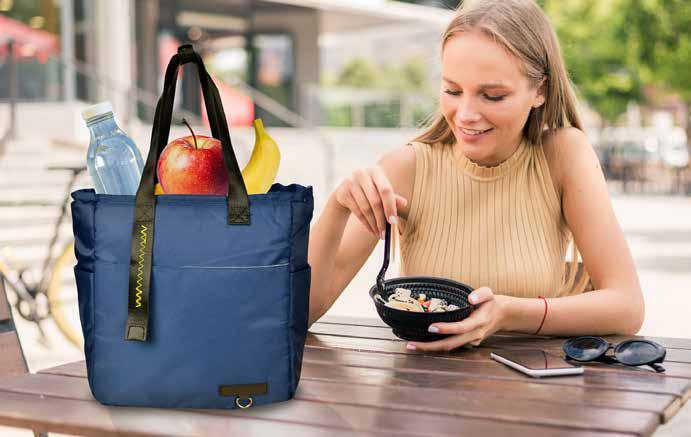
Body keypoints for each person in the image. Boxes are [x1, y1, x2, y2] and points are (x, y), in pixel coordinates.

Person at [306, 0, 644, 352]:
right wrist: (337, 206)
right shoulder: (406, 168)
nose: (466, 114)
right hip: (423, 381)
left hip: (531, 380)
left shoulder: (562, 156)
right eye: (452, 90)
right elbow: (299, 313)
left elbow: (627, 306)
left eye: (492, 95)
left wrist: (510, 313)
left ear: (540, 91)